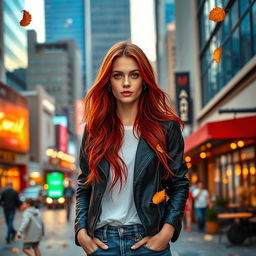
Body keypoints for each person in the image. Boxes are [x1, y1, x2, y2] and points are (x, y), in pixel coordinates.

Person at [75, 41, 189, 256]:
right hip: (102, 243)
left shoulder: (166, 128)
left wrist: (166, 232)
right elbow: (84, 185)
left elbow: (179, 184)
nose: (126, 83)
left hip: (148, 242)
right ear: (108, 82)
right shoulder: (95, 130)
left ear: (144, 80)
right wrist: (81, 232)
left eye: (134, 75)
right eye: (118, 75)